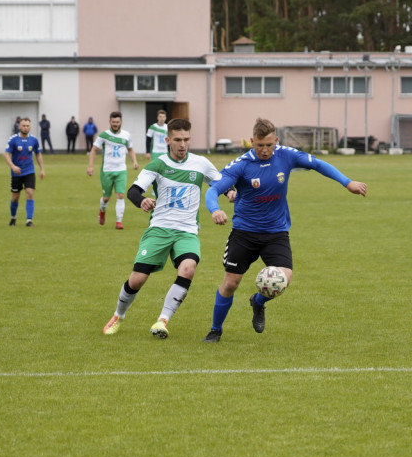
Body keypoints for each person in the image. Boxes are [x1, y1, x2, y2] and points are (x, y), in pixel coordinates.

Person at [200, 117, 368, 343]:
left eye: (269, 145)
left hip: (276, 233)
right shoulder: (241, 164)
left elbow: (318, 164)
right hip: (244, 233)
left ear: (276, 141)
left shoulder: (286, 155)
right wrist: (214, 209)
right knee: (231, 282)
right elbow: (213, 190)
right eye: (260, 145)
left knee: (284, 279)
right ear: (252, 142)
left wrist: (347, 182)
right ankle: (215, 330)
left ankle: (258, 302)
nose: (265, 150)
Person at [102, 118, 232, 339]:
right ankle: (118, 315)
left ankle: (162, 321)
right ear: (167, 140)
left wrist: (230, 192)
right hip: (160, 229)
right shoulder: (158, 164)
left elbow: (221, 182)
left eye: (187, 140)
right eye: (178, 140)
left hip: (187, 231)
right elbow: (134, 191)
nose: (183, 145)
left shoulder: (200, 163)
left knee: (188, 268)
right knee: (137, 279)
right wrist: (141, 200)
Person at [87, 111, 138, 230]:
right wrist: (90, 166)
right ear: (110, 122)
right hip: (107, 171)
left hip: (121, 170)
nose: (115, 124)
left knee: (120, 195)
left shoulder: (126, 135)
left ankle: (119, 222)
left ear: (121, 122)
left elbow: (130, 149)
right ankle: (102, 210)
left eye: (117, 122)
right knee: (106, 198)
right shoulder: (104, 135)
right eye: (113, 122)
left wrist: (134, 161)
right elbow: (94, 150)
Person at [5, 117, 46, 227]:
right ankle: (13, 218)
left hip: (29, 171)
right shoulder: (13, 140)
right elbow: (7, 155)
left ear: (30, 127)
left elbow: (38, 154)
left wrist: (42, 169)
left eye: (27, 125)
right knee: (15, 197)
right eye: (23, 125)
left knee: (30, 193)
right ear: (19, 127)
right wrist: (13, 166)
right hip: (16, 173)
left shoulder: (34, 140)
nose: (25, 127)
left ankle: (29, 220)